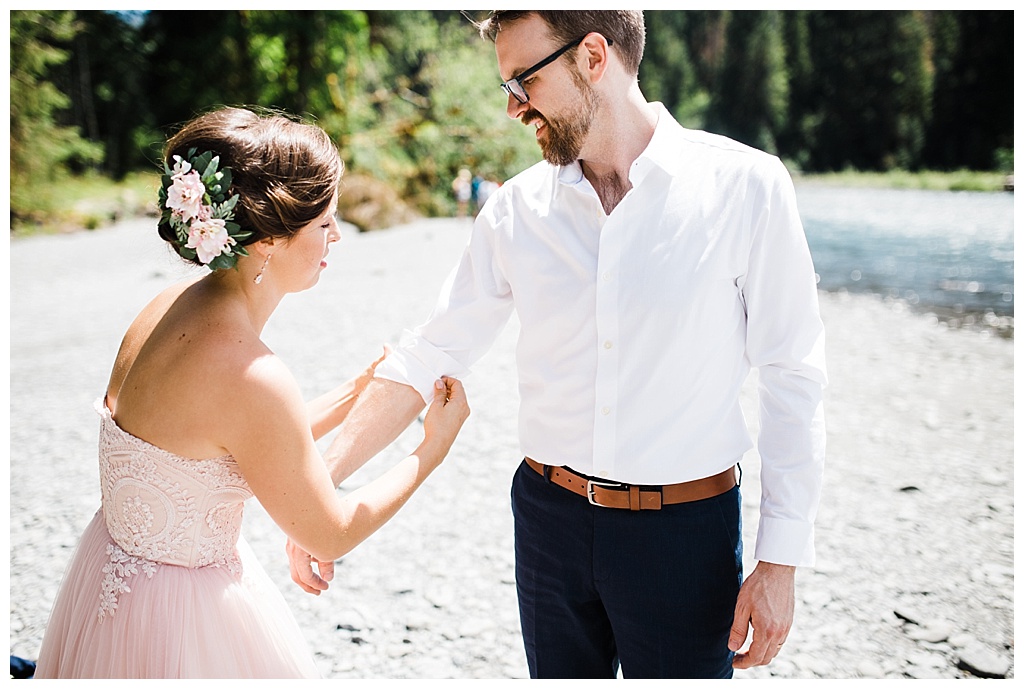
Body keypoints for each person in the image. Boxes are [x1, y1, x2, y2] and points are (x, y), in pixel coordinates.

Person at [290, 10, 827, 679]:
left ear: (594, 57)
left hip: (684, 533)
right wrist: (319, 488)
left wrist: (780, 560)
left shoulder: (746, 188)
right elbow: (430, 352)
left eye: (524, 81)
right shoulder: (515, 212)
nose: (512, 107)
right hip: (548, 520)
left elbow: (792, 376)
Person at [32, 106, 469, 679]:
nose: (337, 235)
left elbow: (223, 447)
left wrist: (356, 388)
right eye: (322, 224)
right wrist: (432, 447)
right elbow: (327, 530)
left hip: (111, 580)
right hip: (184, 617)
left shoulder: (162, 307)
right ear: (266, 240)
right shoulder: (251, 374)